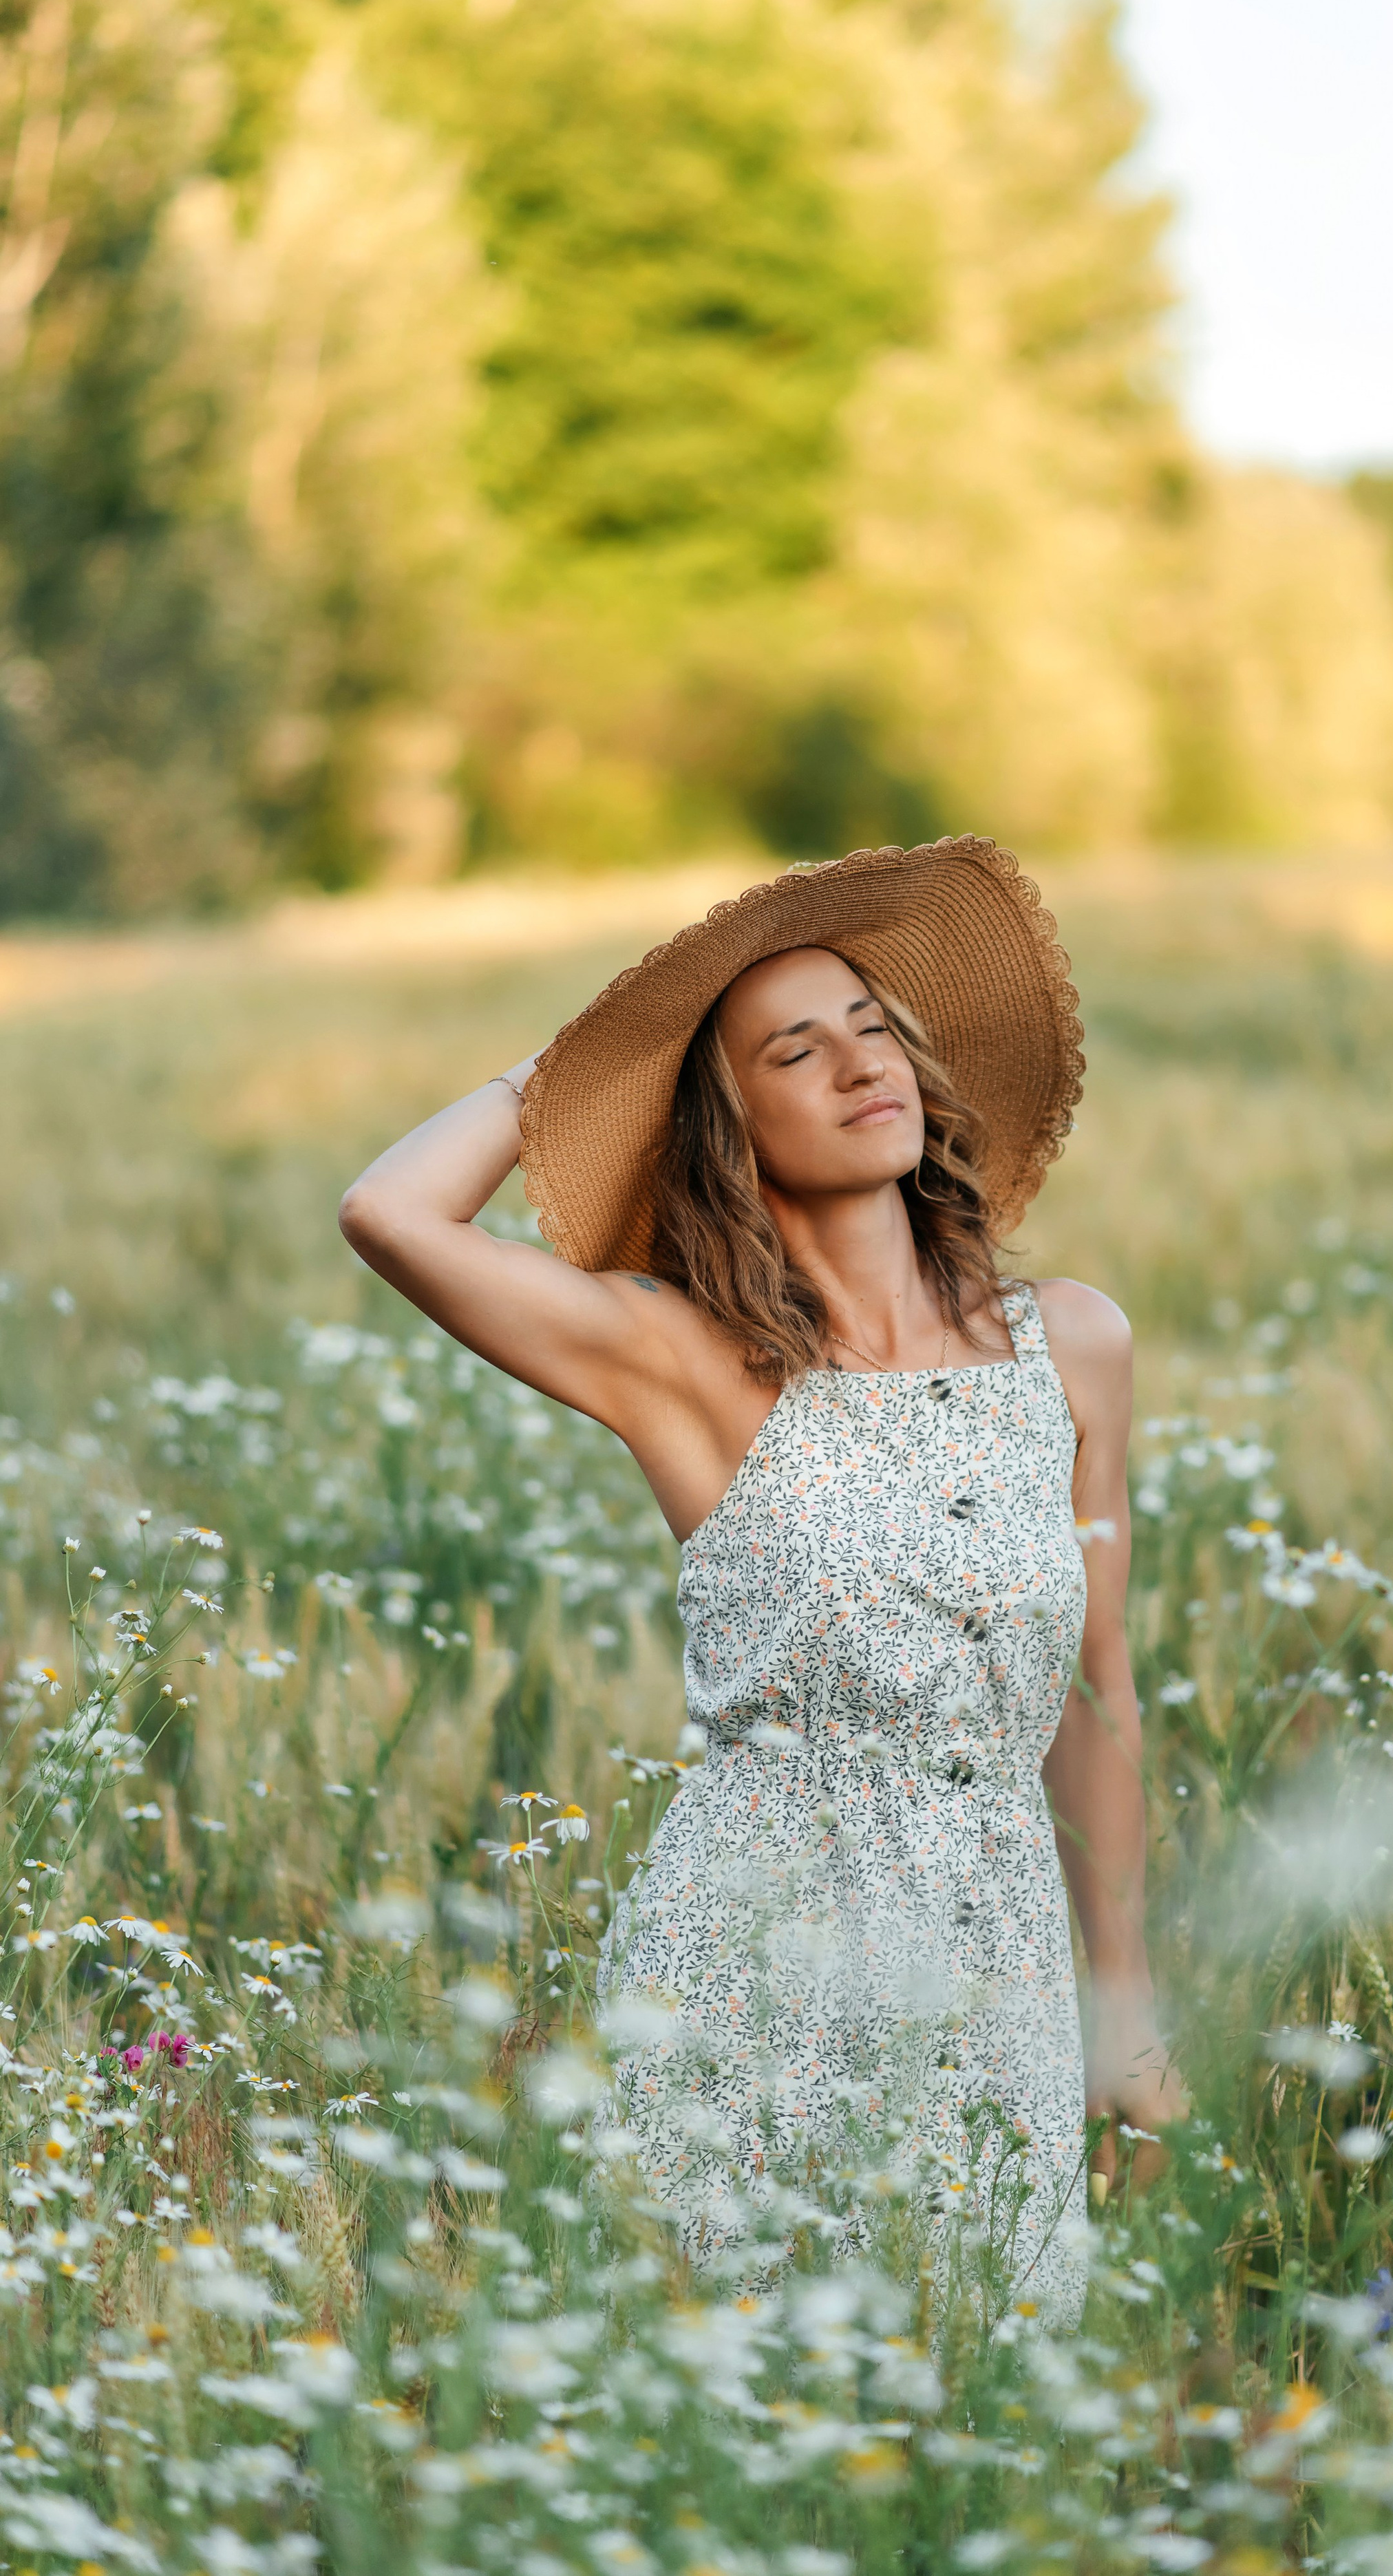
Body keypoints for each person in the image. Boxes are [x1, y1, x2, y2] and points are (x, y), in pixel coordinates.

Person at [339, 835, 1184, 2324]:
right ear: (726, 1121)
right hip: (750, 1959)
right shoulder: (685, 1362)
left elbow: (1094, 1698)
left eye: (873, 1029)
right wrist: (586, 1059)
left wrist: (1119, 2007)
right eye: (794, 1050)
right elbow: (393, 1216)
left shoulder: (1075, 1343)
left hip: (997, 1965)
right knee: (739, 2413)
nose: (860, 1065)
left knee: (977, 2398)